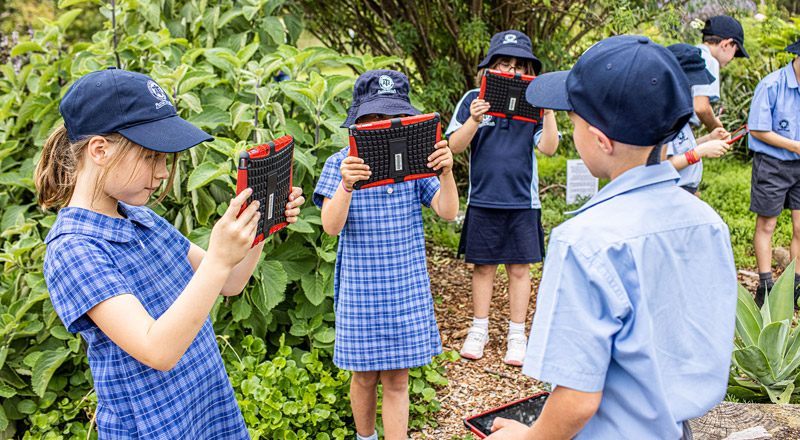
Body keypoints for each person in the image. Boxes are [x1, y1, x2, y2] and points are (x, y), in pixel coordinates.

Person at [488, 35, 737, 439]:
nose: (572, 129)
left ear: (600, 141)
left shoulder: (583, 241)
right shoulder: (708, 223)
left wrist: (527, 437)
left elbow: (578, 398)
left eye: (573, 121)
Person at [36, 68, 305, 438]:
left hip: (206, 409)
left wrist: (259, 223)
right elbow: (157, 349)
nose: (163, 172)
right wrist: (219, 256)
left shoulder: (143, 219)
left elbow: (229, 282)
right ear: (99, 150)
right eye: (151, 157)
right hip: (154, 427)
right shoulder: (74, 249)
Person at [313, 69, 458, 440]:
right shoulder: (341, 163)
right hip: (361, 290)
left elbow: (447, 211)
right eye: (372, 117)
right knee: (363, 377)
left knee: (397, 379)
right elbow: (330, 226)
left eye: (392, 116)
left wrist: (446, 173)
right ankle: (366, 437)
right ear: (356, 122)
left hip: (405, 288)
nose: (382, 124)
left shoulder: (415, 162)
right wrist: (347, 185)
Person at [446, 30, 560, 366]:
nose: (512, 70)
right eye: (505, 63)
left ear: (529, 70)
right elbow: (454, 146)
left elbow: (549, 148)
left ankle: (517, 335)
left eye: (520, 65)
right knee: (483, 267)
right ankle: (478, 329)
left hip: (523, 201)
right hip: (483, 199)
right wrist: (474, 119)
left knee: (520, 269)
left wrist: (549, 112)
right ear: (490, 67)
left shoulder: (535, 103)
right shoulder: (473, 98)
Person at [748, 38, 800, 307]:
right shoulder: (771, 84)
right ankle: (765, 284)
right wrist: (796, 146)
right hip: (773, 164)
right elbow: (757, 129)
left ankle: (795, 286)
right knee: (767, 224)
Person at [664, 43, 732, 195]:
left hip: (688, 190)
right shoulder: (663, 115)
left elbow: (681, 148)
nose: (691, 91)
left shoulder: (680, 113)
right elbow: (663, 166)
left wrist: (709, 139)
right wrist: (700, 152)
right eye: (690, 84)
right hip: (673, 192)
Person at [691, 15, 749, 133]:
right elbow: (701, 107)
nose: (732, 58)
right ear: (726, 44)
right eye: (735, 52)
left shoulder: (690, 54)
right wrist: (716, 128)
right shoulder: (708, 60)